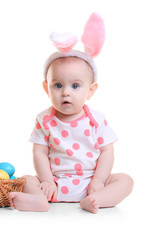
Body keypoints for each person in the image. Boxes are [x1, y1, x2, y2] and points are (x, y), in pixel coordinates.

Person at [9, 13, 134, 213]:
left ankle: (96, 200)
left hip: (90, 184)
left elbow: (107, 151)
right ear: (46, 88)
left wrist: (99, 181)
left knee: (125, 180)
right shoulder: (44, 119)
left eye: (75, 85)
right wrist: (47, 181)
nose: (66, 92)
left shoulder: (97, 120)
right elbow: (39, 152)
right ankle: (39, 201)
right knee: (26, 180)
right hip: (55, 185)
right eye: (57, 85)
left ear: (90, 90)